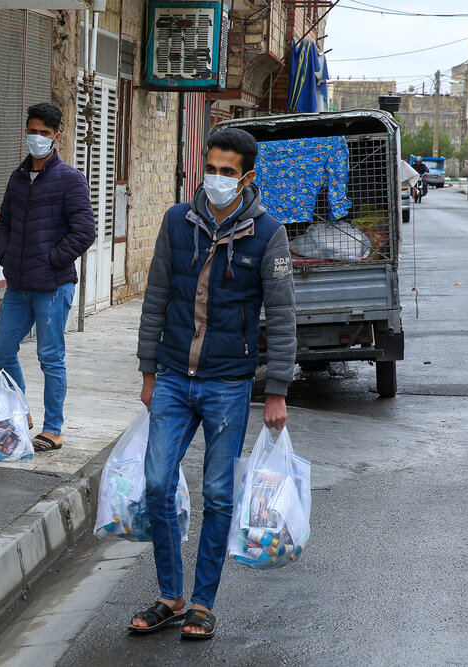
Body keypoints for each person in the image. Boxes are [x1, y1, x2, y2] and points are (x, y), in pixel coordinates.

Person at [131, 128, 296, 639]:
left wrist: (277, 390)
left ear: (247, 177)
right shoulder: (177, 221)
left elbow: (283, 313)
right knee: (158, 483)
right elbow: (157, 293)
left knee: (219, 494)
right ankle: (170, 595)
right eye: (212, 168)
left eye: (229, 172)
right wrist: (148, 369)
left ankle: (202, 603)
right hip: (175, 377)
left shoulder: (268, 233)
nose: (217, 179)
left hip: (228, 383)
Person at [0, 102, 96, 453]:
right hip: (18, 284)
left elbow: (84, 232)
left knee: (51, 357)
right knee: (2, 348)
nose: (36, 138)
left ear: (57, 137)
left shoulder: (70, 179)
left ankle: (53, 429)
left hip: (53, 285)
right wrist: (5, 256)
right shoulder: (17, 176)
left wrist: (52, 260)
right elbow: (5, 221)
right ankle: (21, 412)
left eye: (44, 133)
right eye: (32, 131)